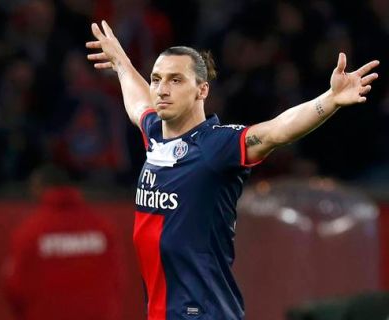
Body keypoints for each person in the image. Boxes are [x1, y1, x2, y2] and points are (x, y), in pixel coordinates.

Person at [86, 20, 380, 320]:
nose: (162, 89)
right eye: (157, 79)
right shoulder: (155, 135)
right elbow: (138, 105)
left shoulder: (217, 145)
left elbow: (275, 132)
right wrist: (121, 62)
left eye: (175, 80)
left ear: (202, 90)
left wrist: (329, 101)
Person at [2, 164, 125, 320]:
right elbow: (117, 281)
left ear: (39, 188)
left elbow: (15, 287)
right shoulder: (103, 229)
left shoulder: (30, 232)